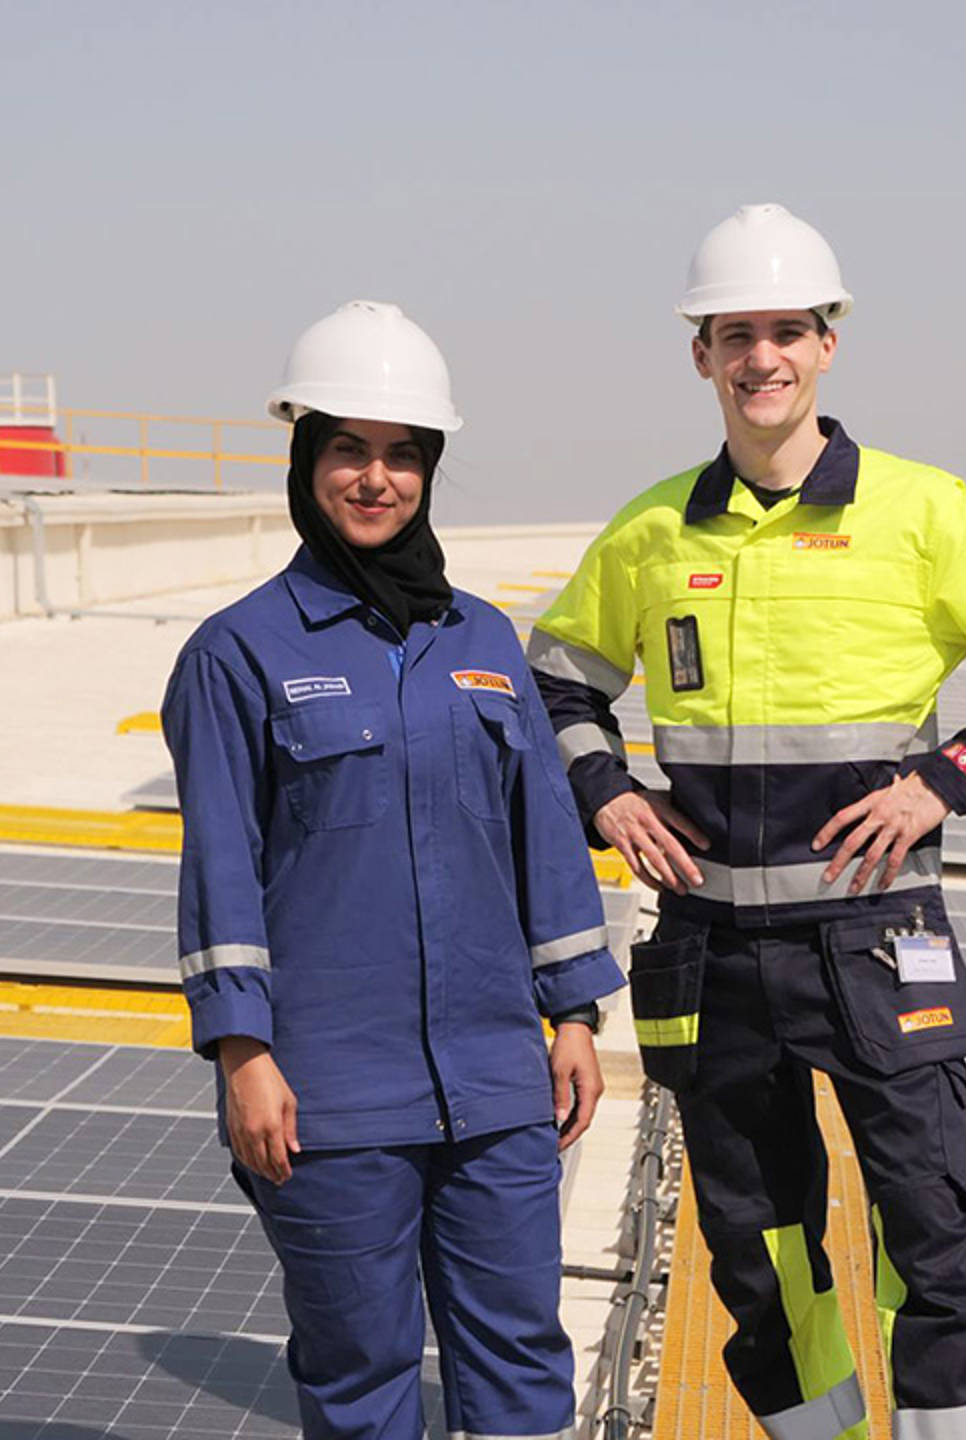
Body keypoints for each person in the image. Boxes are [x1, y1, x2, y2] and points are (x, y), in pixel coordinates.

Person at [529, 206, 966, 1440]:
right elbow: (556, 679)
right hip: (712, 959)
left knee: (930, 1244)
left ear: (828, 343)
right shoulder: (651, 531)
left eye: (786, 331)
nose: (762, 359)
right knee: (762, 1268)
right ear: (701, 355)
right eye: (735, 335)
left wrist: (942, 783)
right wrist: (609, 792)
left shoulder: (916, 510)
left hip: (875, 945)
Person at [164, 299, 625, 1440]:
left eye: (402, 455)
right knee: (360, 1372)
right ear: (304, 458)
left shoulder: (482, 642)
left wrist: (573, 1017)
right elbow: (220, 866)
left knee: (521, 1356)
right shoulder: (237, 653)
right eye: (348, 450)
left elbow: (543, 841)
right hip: (327, 1094)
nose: (375, 479)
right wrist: (243, 1055)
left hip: (494, 1082)